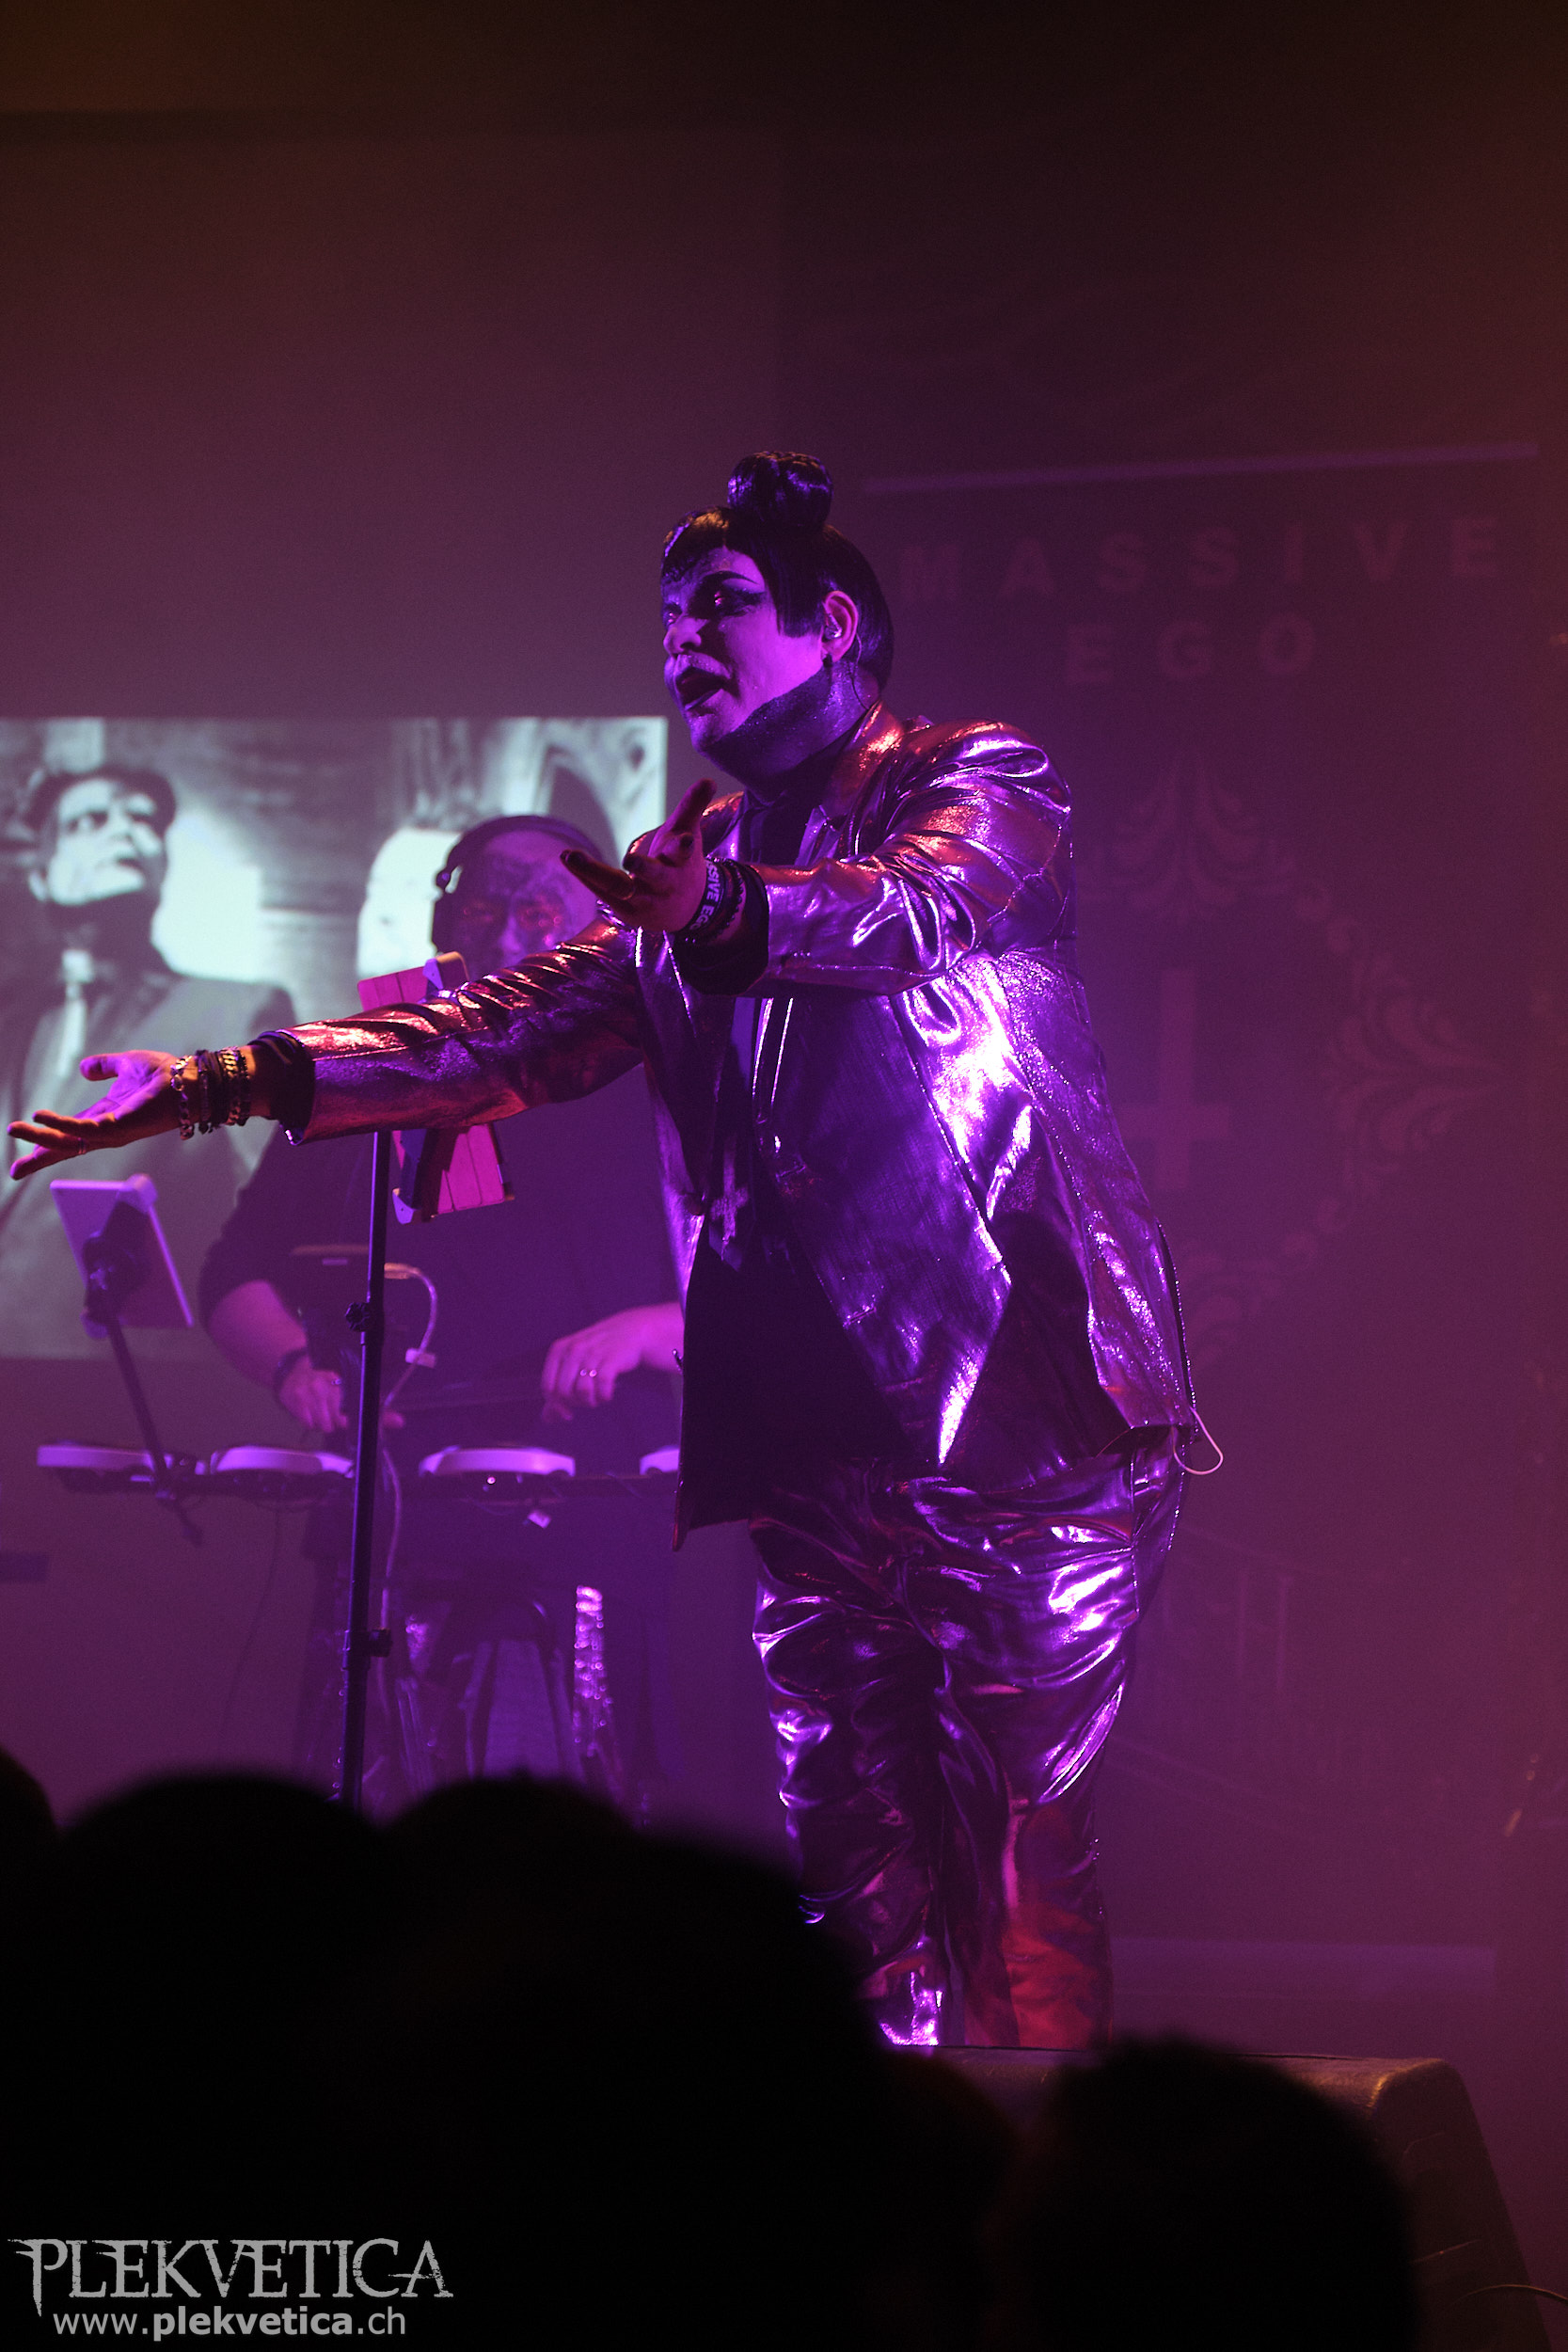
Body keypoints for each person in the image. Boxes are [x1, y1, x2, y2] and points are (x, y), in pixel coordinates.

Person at [9, 452, 1197, 2049]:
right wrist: (223, 1078)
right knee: (849, 1863)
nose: (682, 642)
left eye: (721, 606)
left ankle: (1038, 2174)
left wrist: (712, 916)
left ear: (834, 626)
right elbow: (494, 1034)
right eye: (666, 619)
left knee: (1006, 1845)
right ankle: (887, 2163)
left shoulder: (974, 778)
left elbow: (903, 916)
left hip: (1014, 1402)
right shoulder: (693, 861)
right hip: (816, 1432)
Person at [198, 813, 685, 1814]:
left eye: (539, 912)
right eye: (481, 911)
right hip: (396, 1505)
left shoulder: (668, 1073)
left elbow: (762, 1284)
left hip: (590, 1505)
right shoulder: (373, 1073)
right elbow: (234, 1269)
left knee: (566, 1815)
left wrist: (650, 1328)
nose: (506, 935)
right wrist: (294, 1367)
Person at [0, 764, 293, 1356]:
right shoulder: (13, 1019)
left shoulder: (233, 1013)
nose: (125, 832)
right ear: (41, 875)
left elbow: (273, 1215)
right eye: (89, 821)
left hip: (129, 1374)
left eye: (144, 820)